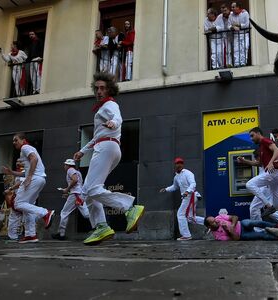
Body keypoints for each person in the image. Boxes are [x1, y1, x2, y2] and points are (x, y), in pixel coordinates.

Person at [74, 72, 144, 245]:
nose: (99, 91)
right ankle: (101, 226)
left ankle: (129, 208)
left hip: (106, 147)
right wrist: (83, 151)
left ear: (109, 89)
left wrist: (114, 123)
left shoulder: (109, 105)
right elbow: (98, 135)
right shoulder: (102, 108)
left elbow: (117, 117)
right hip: (108, 146)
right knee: (90, 190)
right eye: (96, 88)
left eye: (102, 88)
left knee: (90, 189)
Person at [1, 133, 55, 243]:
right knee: (27, 207)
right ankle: (31, 235)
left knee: (18, 203)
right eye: (13, 141)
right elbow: (25, 173)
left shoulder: (25, 147)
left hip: (34, 179)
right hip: (39, 179)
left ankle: (45, 213)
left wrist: (29, 177)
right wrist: (11, 172)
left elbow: (34, 159)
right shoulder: (27, 149)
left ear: (23, 140)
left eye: (16, 140)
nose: (14, 142)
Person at [160, 157, 205, 240]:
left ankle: (186, 235)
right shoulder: (176, 177)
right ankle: (209, 223)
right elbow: (174, 186)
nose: (179, 165)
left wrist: (187, 191)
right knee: (190, 218)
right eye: (178, 163)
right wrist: (166, 189)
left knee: (180, 214)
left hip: (190, 196)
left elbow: (193, 184)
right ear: (175, 165)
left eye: (181, 163)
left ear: (183, 164)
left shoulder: (188, 173)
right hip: (186, 197)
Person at [53, 159, 91, 240]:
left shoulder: (70, 170)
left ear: (68, 165)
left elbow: (75, 180)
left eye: (65, 165)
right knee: (86, 213)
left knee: (64, 212)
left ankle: (61, 234)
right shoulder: (78, 172)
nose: (64, 167)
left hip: (76, 194)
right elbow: (78, 183)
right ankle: (100, 223)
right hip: (79, 194)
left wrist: (67, 189)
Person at [205, 214, 278, 241]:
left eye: (215, 219)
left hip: (241, 224)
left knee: (253, 222)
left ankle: (277, 226)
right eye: (214, 222)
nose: (217, 221)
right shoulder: (218, 236)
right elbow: (237, 239)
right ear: (209, 226)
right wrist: (229, 230)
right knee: (261, 235)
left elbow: (235, 217)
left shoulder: (219, 217)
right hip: (242, 234)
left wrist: (232, 225)